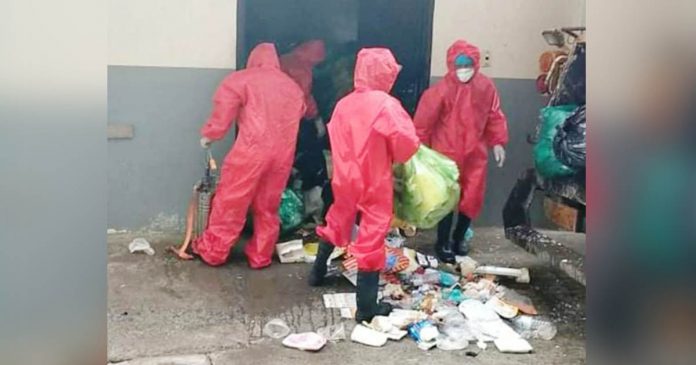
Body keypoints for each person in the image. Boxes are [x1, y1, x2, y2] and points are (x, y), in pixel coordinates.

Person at [308, 48, 421, 323]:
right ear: (385, 73)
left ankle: (317, 273)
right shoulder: (386, 104)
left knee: (338, 218)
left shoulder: (344, 103)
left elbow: (334, 135)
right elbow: (406, 143)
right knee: (371, 235)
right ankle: (367, 306)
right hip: (373, 178)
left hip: (345, 177)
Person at [193, 43, 306, 269]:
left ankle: (214, 252)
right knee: (267, 207)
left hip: (251, 151)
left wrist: (209, 135)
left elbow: (223, 111)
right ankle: (260, 256)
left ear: (253, 58)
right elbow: (300, 112)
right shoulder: (293, 87)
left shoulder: (241, 79)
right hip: (282, 155)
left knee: (231, 201)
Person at [413, 39, 509, 263]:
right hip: (445, 153)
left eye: (468, 65)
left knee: (471, 197)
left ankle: (459, 239)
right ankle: (442, 241)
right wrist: (419, 153)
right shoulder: (439, 92)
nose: (464, 70)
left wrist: (498, 142)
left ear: (476, 64)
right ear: (450, 64)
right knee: (446, 199)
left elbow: (494, 115)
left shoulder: (485, 87)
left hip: (475, 153)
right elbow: (423, 124)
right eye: (459, 65)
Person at [280, 41, 328, 216]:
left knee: (283, 166)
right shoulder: (302, 69)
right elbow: (304, 97)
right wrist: (315, 118)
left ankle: (286, 208)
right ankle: (303, 211)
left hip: (276, 124)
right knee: (310, 161)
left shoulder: (281, 61)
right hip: (296, 121)